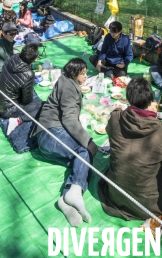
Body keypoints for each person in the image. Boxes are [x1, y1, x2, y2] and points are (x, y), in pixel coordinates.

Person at [98, 78, 162, 220]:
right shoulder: (160, 129)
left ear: (128, 99)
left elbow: (110, 133)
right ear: (150, 100)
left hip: (116, 196)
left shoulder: (116, 118)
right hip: (149, 205)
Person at [37, 58, 98, 226]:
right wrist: (89, 141)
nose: (85, 76)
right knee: (84, 151)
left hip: (49, 139)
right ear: (73, 73)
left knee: (83, 162)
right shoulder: (69, 87)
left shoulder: (66, 81)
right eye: (83, 73)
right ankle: (75, 192)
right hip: (50, 133)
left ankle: (65, 199)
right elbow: (70, 120)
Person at [0, 37, 43, 132]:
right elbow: (26, 101)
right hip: (8, 110)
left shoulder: (13, 58)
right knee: (44, 106)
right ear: (34, 59)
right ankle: (18, 120)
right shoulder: (28, 74)